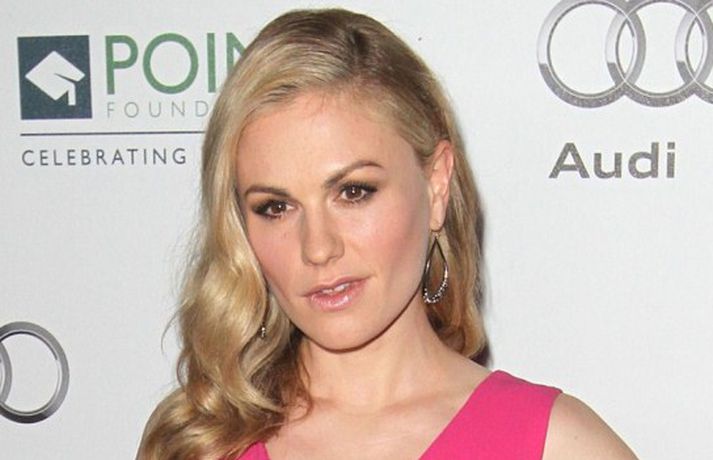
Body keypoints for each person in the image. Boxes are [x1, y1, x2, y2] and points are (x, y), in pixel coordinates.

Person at [138, 8, 637, 460]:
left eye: (353, 192)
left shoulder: (557, 447)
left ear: (436, 185)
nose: (318, 248)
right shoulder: (199, 442)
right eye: (276, 207)